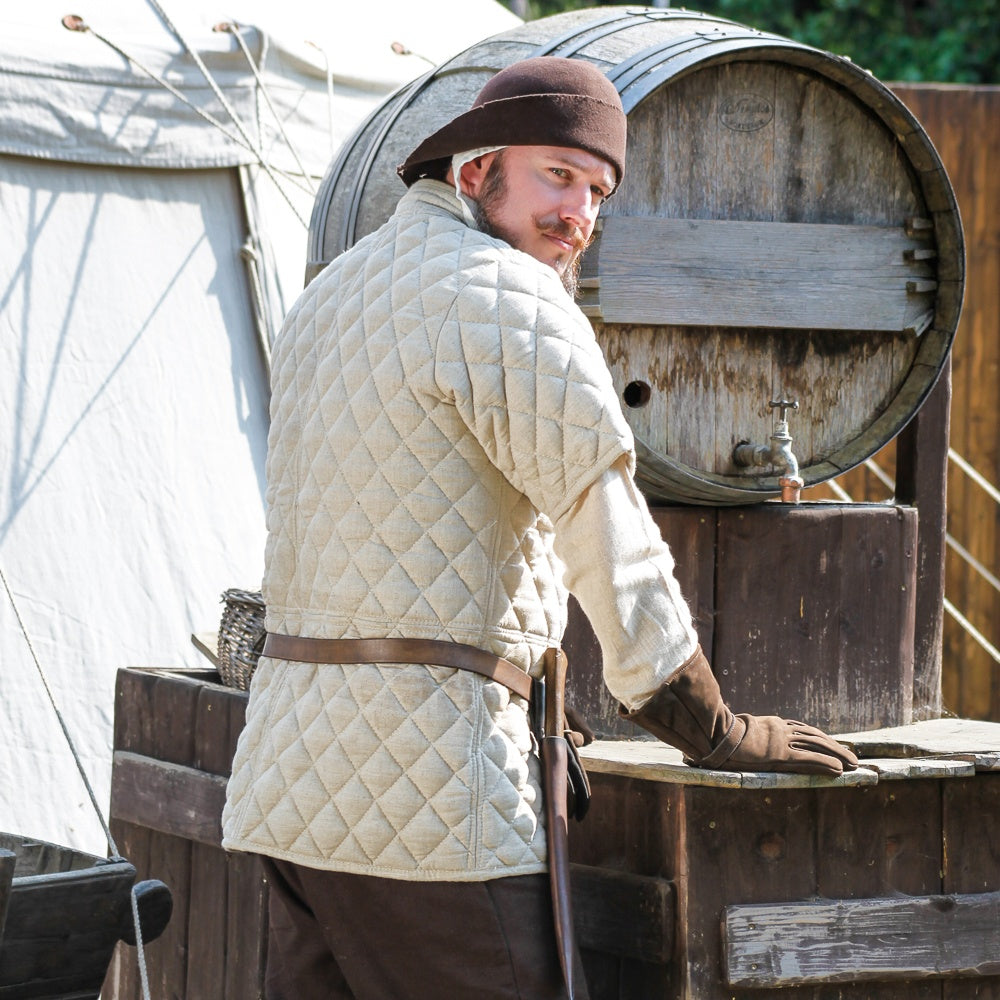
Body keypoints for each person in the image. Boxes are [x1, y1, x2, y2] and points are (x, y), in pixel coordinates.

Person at [222, 57, 858, 1000]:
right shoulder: (511, 299)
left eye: (598, 190)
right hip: (429, 802)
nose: (580, 214)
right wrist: (713, 728)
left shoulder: (330, 296)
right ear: (474, 171)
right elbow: (608, 538)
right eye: (558, 174)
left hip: (287, 791)